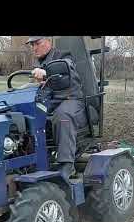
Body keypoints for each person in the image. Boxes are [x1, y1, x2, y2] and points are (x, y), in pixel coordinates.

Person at [26, 36, 88, 179]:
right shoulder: (39, 63)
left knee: (62, 116)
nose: (34, 48)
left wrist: (47, 73)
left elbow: (67, 67)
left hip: (70, 99)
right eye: (32, 45)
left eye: (37, 43)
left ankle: (67, 165)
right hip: (51, 102)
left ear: (48, 40)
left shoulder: (63, 56)